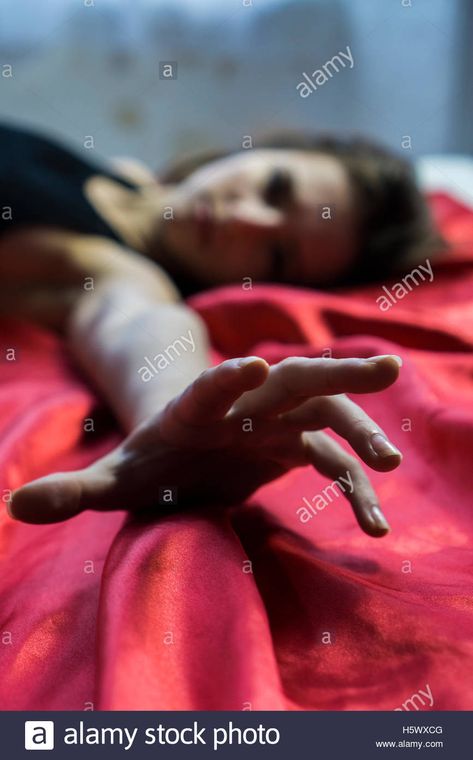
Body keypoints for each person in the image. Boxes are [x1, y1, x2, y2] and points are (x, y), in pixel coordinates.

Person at [0, 122, 436, 535]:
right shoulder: (126, 177)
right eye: (274, 187)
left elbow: (140, 323)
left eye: (276, 255)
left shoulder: (124, 274)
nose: (245, 220)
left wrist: (183, 416)